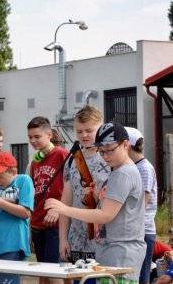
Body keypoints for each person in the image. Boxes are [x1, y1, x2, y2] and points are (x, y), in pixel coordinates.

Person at [45, 122, 147, 283]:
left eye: (109, 150)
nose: (105, 156)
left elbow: (105, 215)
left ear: (126, 145)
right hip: (113, 251)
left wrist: (64, 209)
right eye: (101, 151)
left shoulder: (123, 174)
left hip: (121, 253)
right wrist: (98, 196)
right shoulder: (119, 171)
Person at [55, 106, 110, 284]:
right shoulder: (73, 159)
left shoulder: (110, 158)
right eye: (79, 131)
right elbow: (66, 200)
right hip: (77, 238)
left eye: (89, 130)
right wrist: (63, 238)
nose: (84, 135)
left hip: (104, 240)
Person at [0, 151, 34, 284]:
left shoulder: (23, 180)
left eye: (1, 176)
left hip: (13, 245)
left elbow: (25, 212)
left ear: (13, 171)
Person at [27, 116, 69, 284]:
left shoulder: (62, 155)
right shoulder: (35, 161)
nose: (33, 140)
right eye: (30, 137)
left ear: (49, 135)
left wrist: (59, 209)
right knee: (43, 273)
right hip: (38, 221)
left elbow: (71, 187)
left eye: (37, 137)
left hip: (55, 223)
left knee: (54, 272)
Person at [125, 126, 158, 284]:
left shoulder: (144, 168)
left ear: (128, 146)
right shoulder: (134, 166)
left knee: (141, 276)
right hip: (135, 230)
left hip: (143, 231)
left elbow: (141, 204)